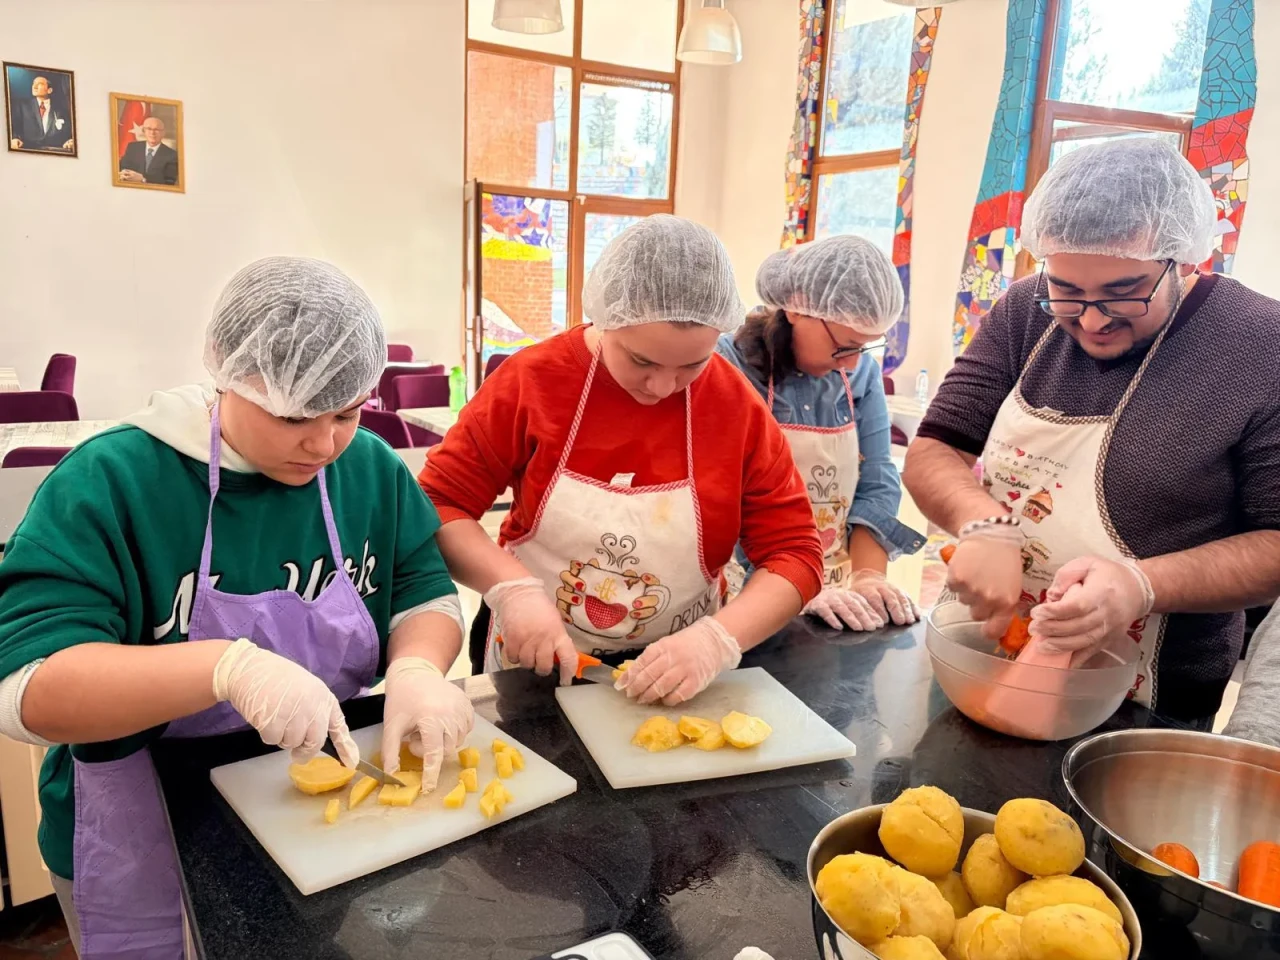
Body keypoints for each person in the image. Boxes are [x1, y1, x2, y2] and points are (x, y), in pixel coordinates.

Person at [0, 257, 472, 957]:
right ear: (229, 376)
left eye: (346, 412)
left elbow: (422, 591)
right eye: (293, 416)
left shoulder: (367, 468)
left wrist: (418, 670)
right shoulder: (114, 481)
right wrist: (225, 670)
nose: (323, 443)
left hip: (325, 819)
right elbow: (28, 689)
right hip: (144, 826)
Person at [904, 138, 1280, 724]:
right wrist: (983, 526)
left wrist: (1141, 586)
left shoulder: (1259, 344)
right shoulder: (1023, 309)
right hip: (983, 647)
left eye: (1123, 293)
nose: (1093, 319)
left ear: (1183, 259)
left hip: (1146, 694)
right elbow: (935, 448)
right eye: (1068, 292)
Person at [419, 215, 824, 705]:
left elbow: (795, 553)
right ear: (603, 318)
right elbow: (440, 505)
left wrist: (716, 641)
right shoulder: (532, 381)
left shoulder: (735, 405)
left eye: (692, 365)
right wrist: (511, 590)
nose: (661, 388)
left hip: (678, 676)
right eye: (641, 361)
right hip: (536, 660)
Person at [717, 235, 924, 632]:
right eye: (843, 347)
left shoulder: (860, 374)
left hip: (832, 595)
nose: (849, 364)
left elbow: (877, 481)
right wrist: (788, 586)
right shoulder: (729, 365)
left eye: (862, 348)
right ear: (796, 308)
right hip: (745, 591)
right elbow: (722, 497)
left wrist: (868, 578)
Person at [9, 74, 74, 152]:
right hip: (29, 151)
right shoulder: (22, 106)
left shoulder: (60, 109)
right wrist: (15, 138)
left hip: (55, 152)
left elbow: (68, 131)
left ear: (49, 90)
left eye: (40, 84)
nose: (35, 86)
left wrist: (70, 140)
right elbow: (15, 126)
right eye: (33, 83)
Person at [120, 115, 179, 185]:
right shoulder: (133, 147)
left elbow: (169, 182)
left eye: (156, 129)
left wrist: (143, 179)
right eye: (149, 129)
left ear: (163, 133)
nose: (152, 133)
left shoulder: (172, 155)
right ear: (144, 131)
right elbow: (123, 168)